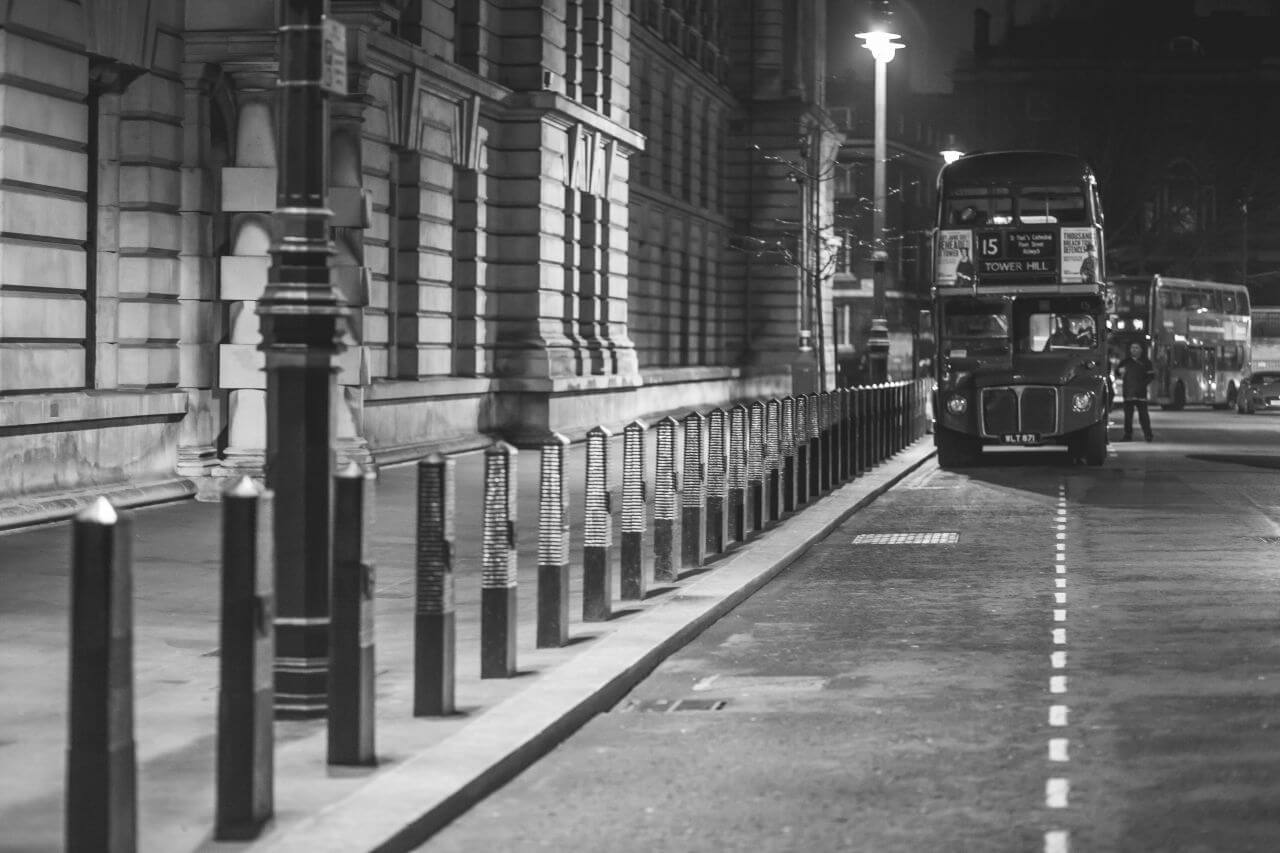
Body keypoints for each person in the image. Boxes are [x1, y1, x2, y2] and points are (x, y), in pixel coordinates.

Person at [1116, 341, 1155, 442]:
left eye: (1136, 348)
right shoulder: (1125, 362)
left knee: (1143, 416)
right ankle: (1127, 435)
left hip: (1141, 394)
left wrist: (1142, 385)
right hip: (1128, 393)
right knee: (1128, 417)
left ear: (1141, 350)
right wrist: (1119, 372)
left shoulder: (1146, 362)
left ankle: (1148, 434)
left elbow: (1151, 376)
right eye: (1132, 347)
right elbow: (1118, 373)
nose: (1134, 349)